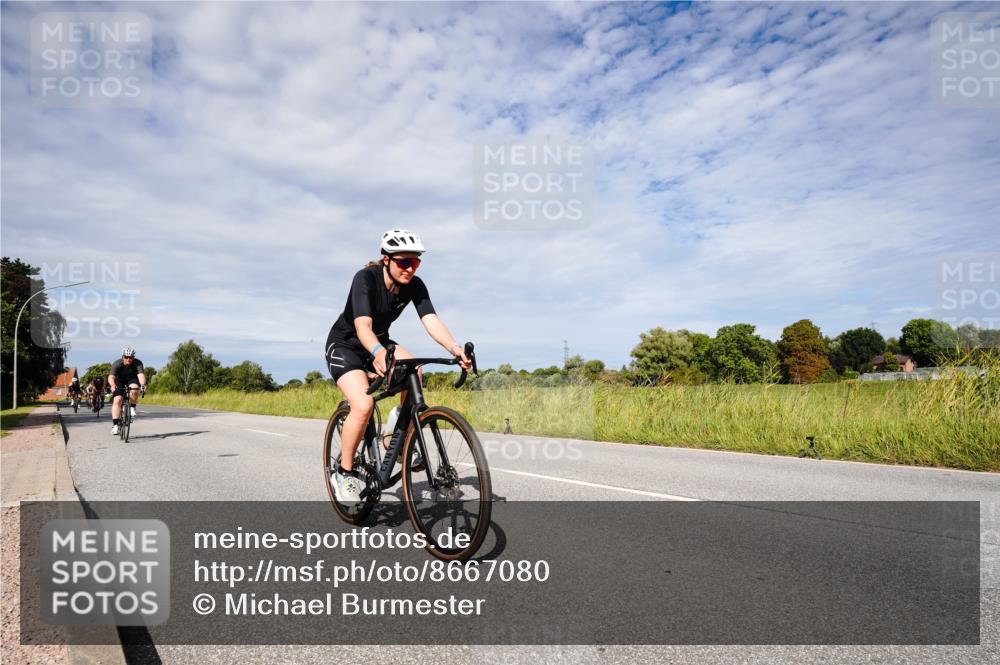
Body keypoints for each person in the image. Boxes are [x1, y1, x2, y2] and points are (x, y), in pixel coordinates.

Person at [325, 229, 470, 502]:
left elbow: (431, 321)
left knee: (415, 369)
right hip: (346, 345)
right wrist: (379, 352)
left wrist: (454, 348)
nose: (410, 268)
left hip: (379, 342)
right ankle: (344, 473)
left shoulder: (414, 284)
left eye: (416, 262)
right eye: (404, 262)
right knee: (364, 405)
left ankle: (396, 432)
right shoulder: (365, 278)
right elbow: (362, 325)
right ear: (387, 259)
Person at [108, 347, 147, 435]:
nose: (128, 359)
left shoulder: (138, 363)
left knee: (134, 389)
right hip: (119, 380)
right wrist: (113, 385)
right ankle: (115, 426)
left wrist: (143, 385)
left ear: (133, 357)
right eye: (126, 357)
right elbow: (111, 377)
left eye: (131, 357)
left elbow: (141, 375)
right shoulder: (117, 363)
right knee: (117, 400)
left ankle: (132, 407)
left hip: (132, 379)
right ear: (123, 357)